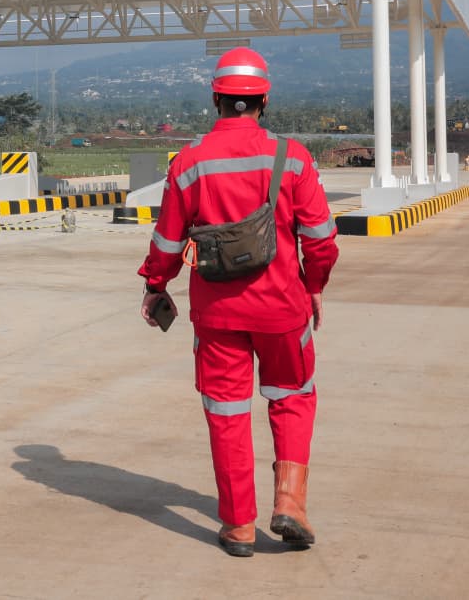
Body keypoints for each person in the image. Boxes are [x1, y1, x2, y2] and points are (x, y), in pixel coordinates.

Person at [137, 47, 339, 558]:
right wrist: (314, 285)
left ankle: (238, 526)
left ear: (216, 99)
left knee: (226, 412)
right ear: (265, 100)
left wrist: (155, 284)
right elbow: (321, 239)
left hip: (218, 314)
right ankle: (290, 504)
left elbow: (167, 241)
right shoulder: (293, 158)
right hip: (283, 308)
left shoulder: (189, 163)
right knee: (292, 397)